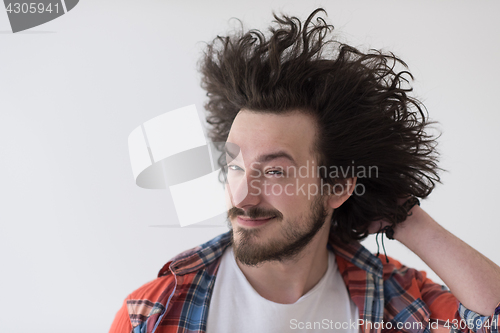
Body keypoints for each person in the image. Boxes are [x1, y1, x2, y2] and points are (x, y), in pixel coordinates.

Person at [109, 8, 500, 333]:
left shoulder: (397, 303)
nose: (242, 196)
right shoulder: (151, 314)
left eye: (275, 172)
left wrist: (409, 220)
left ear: (338, 187)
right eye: (235, 166)